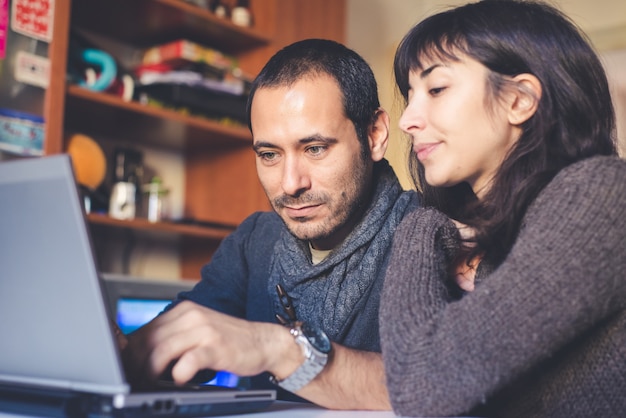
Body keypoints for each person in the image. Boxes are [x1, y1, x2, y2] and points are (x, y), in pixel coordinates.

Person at [121, 38, 417, 409]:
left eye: (314, 149)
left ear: (374, 135)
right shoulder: (255, 240)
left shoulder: (435, 235)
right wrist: (119, 351)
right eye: (269, 154)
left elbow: (441, 387)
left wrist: (274, 348)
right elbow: (172, 351)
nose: (291, 184)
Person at [379, 1, 626, 417]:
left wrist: (421, 228)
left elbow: (420, 385)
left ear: (519, 99)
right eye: (410, 96)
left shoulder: (603, 193)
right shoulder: (494, 234)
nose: (408, 120)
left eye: (436, 89)